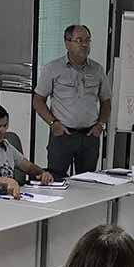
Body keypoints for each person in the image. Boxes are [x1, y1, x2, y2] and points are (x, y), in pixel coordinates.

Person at [33, 24, 111, 176]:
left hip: (89, 136)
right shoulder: (53, 69)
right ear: (67, 43)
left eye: (87, 41)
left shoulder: (97, 70)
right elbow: (38, 100)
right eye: (79, 40)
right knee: (56, 179)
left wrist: (101, 124)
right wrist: (53, 123)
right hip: (63, 135)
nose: (84, 45)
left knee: (87, 183)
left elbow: (106, 102)